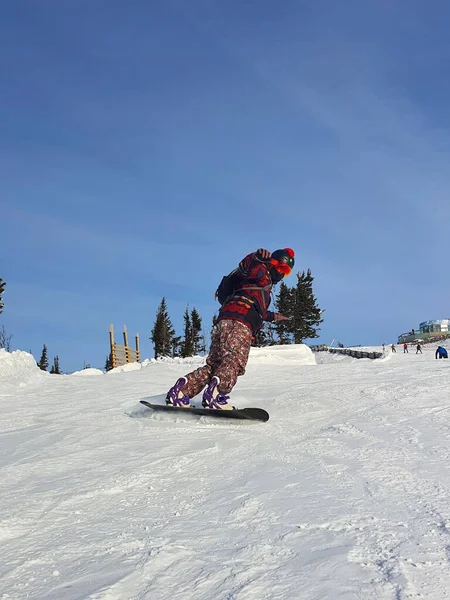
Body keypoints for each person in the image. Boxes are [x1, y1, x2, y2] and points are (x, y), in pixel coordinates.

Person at [165, 248, 295, 410]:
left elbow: (257, 310)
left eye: (286, 272)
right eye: (281, 268)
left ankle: (181, 391)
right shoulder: (261, 271)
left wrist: (274, 316)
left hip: (224, 321)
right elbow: (246, 267)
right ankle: (216, 395)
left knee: (215, 365)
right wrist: (256, 257)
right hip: (239, 323)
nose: (282, 275)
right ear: (273, 263)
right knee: (234, 362)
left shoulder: (259, 287)